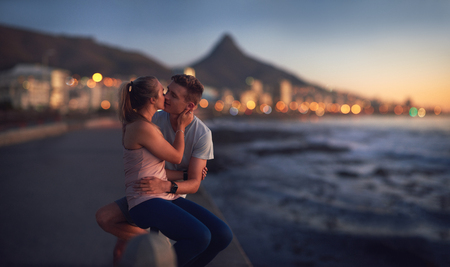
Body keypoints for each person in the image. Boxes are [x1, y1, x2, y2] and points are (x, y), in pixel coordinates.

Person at [96, 75, 233, 267]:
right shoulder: (154, 120)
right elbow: (154, 164)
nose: (166, 97)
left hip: (168, 192)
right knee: (107, 223)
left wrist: (171, 183)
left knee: (223, 235)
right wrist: (180, 133)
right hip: (148, 192)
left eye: (173, 95)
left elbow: (193, 183)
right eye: (166, 91)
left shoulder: (202, 134)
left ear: (189, 106)